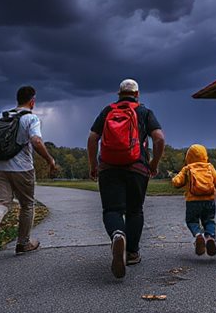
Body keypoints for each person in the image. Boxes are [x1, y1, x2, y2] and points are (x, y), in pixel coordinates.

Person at [87, 78, 165, 279]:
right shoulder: (144, 112)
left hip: (108, 168)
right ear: (137, 94)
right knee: (134, 210)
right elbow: (159, 138)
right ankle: (131, 253)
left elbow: (92, 139)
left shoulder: (107, 111)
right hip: (137, 168)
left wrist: (94, 165)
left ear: (119, 94)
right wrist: (153, 164)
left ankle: (117, 235)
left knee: (112, 210)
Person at [0, 85, 59, 256]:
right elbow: (36, 141)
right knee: (27, 204)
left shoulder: (1, 116)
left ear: (17, 99)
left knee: (1, 202)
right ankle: (23, 243)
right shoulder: (31, 118)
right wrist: (49, 160)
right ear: (32, 101)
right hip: (22, 168)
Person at [171, 144, 216, 256]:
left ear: (188, 157)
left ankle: (198, 235)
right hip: (209, 201)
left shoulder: (187, 168)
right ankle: (210, 237)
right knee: (209, 220)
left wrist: (175, 177)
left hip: (192, 201)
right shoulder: (209, 167)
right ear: (205, 155)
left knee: (192, 221)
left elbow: (176, 183)